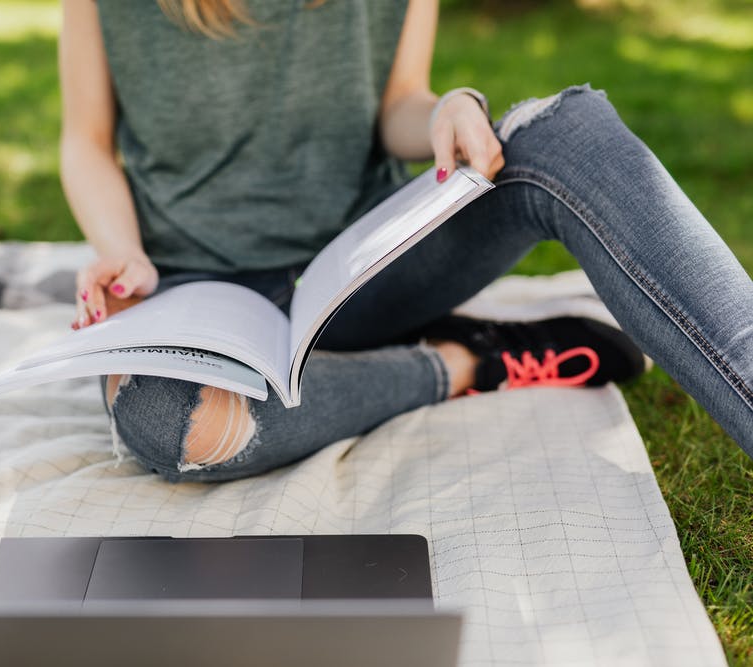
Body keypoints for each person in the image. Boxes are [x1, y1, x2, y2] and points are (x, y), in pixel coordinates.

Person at [58, 0, 753, 482]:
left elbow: (397, 106)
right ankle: (466, 360)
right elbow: (85, 143)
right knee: (165, 418)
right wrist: (124, 252)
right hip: (195, 292)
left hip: (359, 273)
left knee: (569, 134)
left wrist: (450, 108)